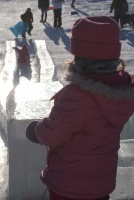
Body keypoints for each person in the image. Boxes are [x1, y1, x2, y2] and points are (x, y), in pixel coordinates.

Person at [26, 16, 134, 200]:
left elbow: (55, 133)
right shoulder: (121, 92)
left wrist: (35, 131)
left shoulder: (78, 97)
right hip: (101, 183)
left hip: (69, 185)